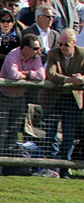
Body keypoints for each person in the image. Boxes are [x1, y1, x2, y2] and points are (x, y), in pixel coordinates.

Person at [0, 31, 43, 165]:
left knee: (14, 131)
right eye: (35, 48)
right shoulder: (12, 55)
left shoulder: (36, 57)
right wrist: (31, 75)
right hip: (3, 96)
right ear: (26, 48)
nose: (38, 51)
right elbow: (13, 75)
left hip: (20, 97)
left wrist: (25, 73)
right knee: (0, 132)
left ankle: (9, 162)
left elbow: (42, 75)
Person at [40, 28, 83, 175]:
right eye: (60, 44)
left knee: (69, 134)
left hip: (72, 99)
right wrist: (71, 80)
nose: (63, 47)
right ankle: (53, 164)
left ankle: (66, 165)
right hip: (54, 98)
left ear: (74, 43)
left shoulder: (82, 54)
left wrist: (81, 79)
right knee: (51, 131)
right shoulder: (53, 53)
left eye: (66, 44)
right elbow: (51, 74)